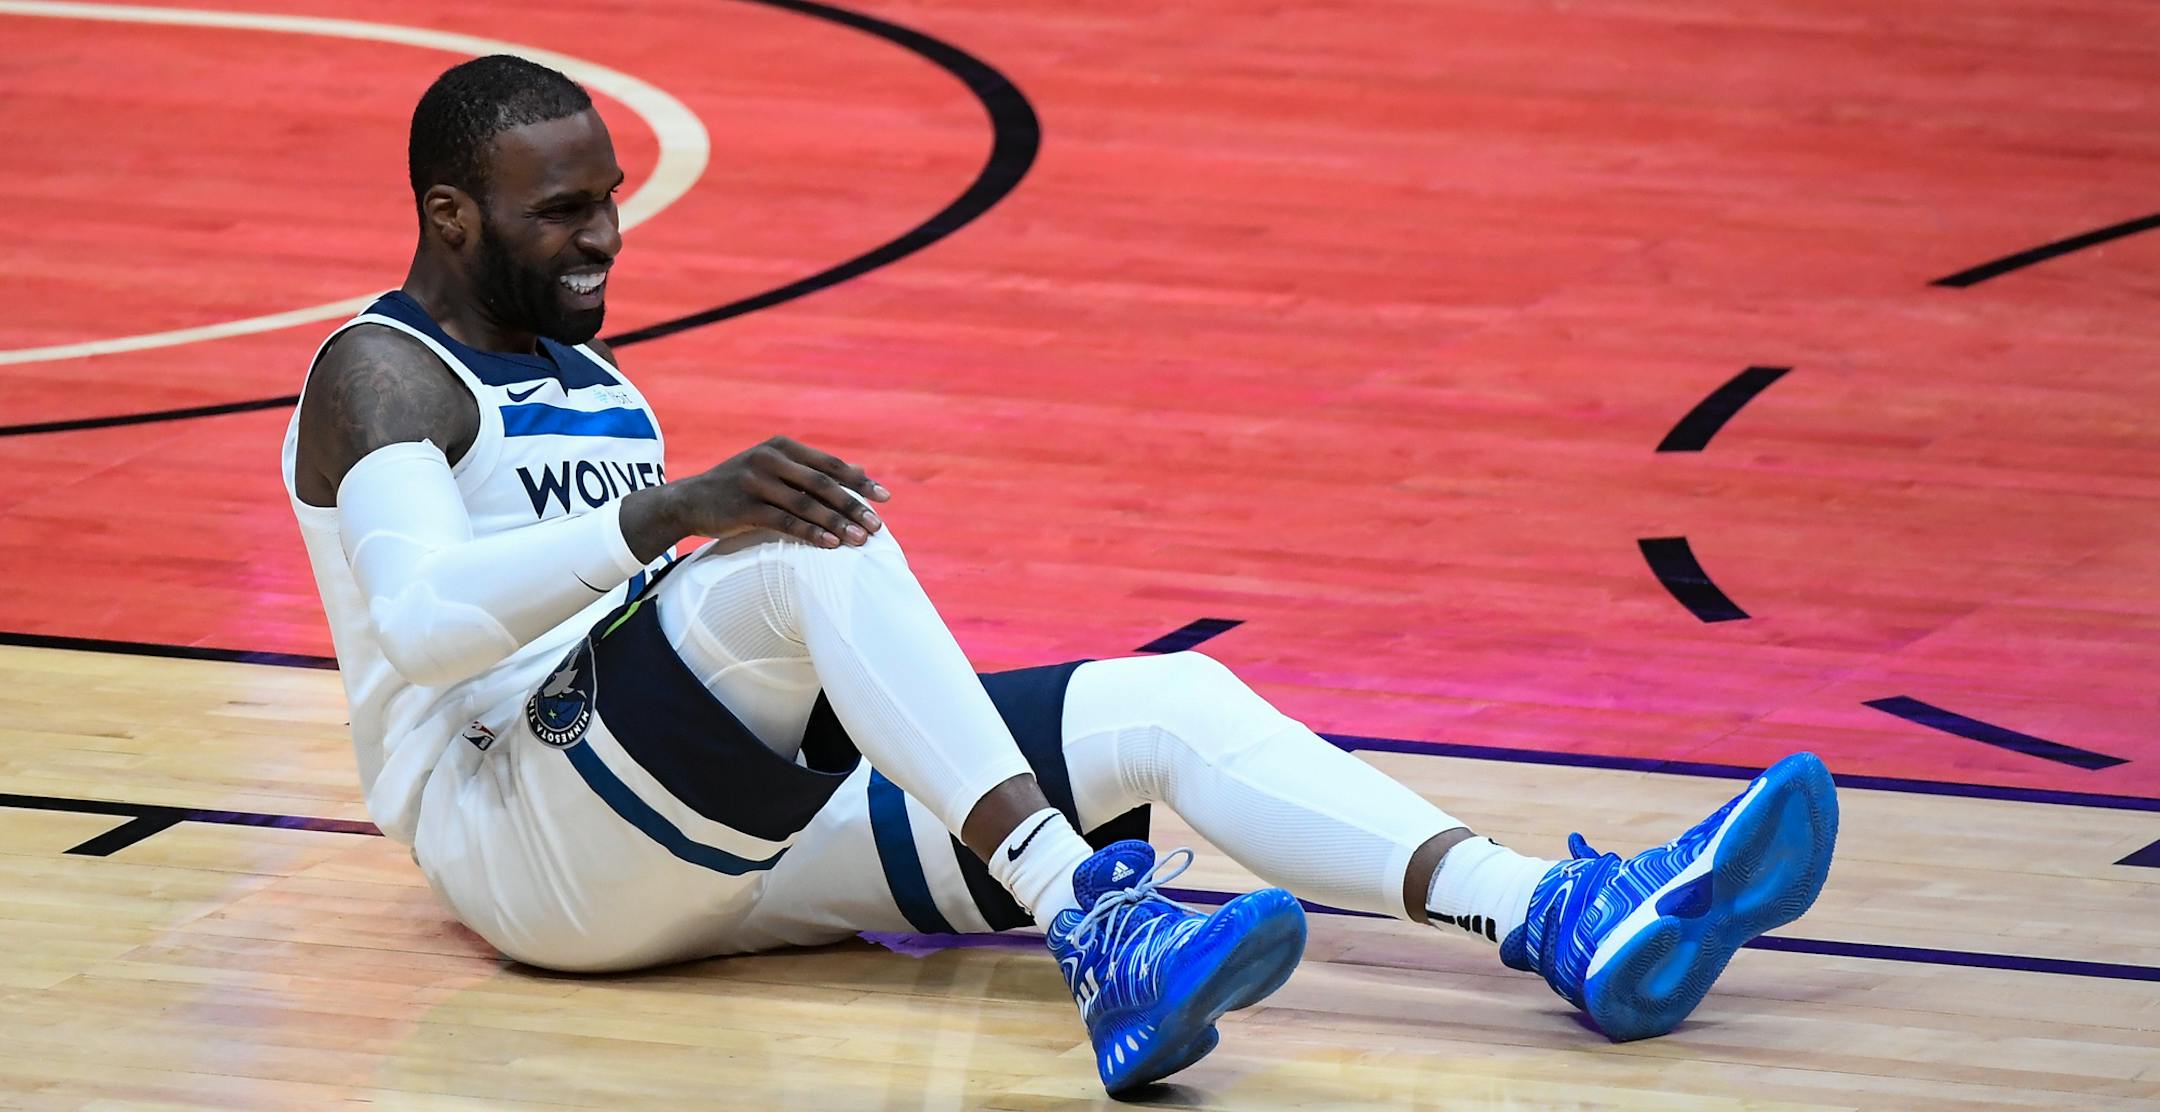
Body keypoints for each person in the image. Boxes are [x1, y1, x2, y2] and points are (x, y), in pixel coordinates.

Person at [281, 55, 1839, 1096]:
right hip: (520, 841)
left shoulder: (595, 383)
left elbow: (653, 624)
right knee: (804, 539)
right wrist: (679, 514)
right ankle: (1089, 921)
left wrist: (685, 525)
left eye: (611, 193)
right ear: (448, 214)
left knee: (1168, 702)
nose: (609, 229)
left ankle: (1557, 915)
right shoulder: (387, 375)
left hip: (690, 840)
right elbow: (424, 630)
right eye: (565, 209)